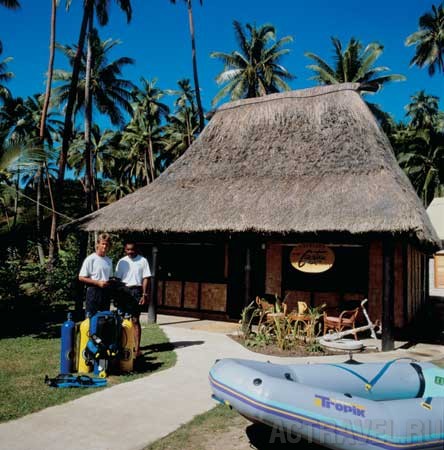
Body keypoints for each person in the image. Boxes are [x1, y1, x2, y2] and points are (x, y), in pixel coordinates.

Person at [115, 241, 151, 356]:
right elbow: (117, 280)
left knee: (135, 320)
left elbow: (146, 278)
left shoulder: (143, 260)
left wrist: (144, 295)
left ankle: (137, 349)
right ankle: (120, 346)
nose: (130, 252)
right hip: (123, 291)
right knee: (121, 320)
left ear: (136, 249)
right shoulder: (122, 261)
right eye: (128, 250)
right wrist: (117, 295)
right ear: (125, 250)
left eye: (132, 249)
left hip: (136, 291)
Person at [78, 233, 113, 317]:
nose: (104, 246)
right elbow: (81, 277)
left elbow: (110, 277)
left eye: (106, 244)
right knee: (91, 319)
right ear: (98, 244)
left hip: (105, 292)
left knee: (104, 319)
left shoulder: (109, 260)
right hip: (93, 291)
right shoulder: (91, 259)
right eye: (103, 244)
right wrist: (97, 283)